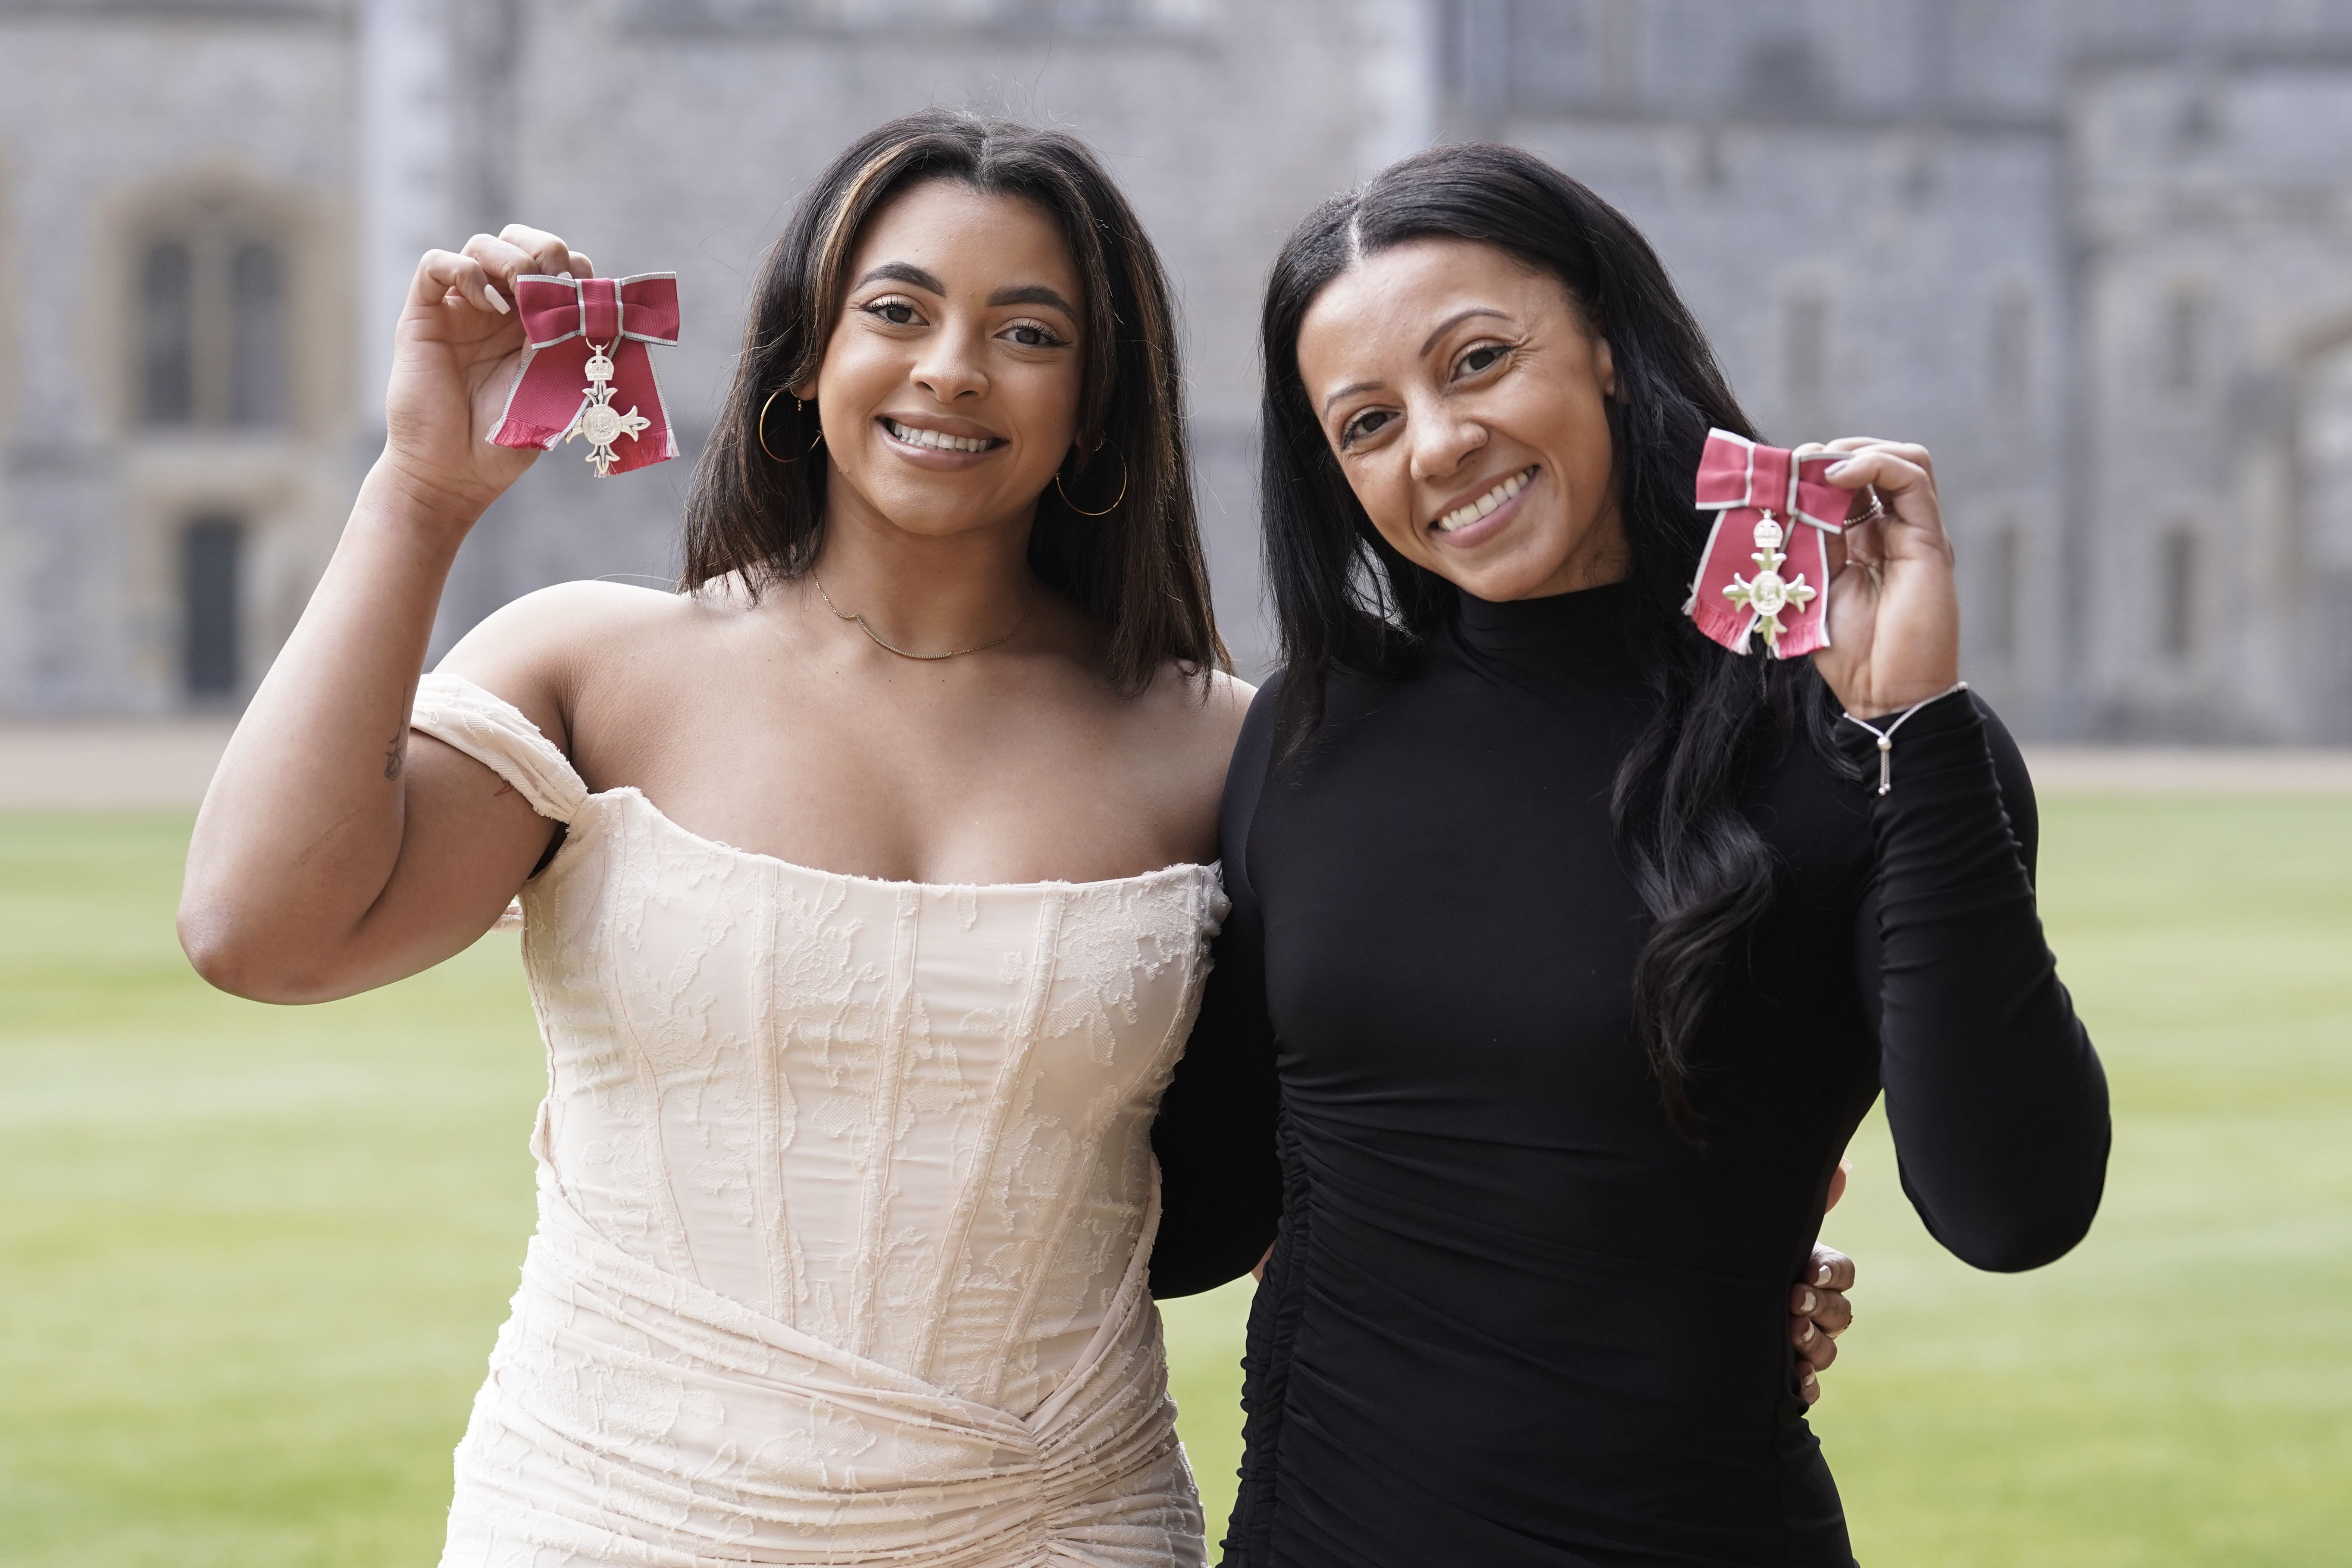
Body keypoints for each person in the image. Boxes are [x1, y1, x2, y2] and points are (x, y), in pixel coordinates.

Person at [176, 110, 1856, 1564]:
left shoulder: (1229, 744)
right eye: (894, 310)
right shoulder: (589, 665)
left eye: (1028, 329)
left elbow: (1368, 1133)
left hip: (1059, 1523)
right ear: (803, 359)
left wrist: (1681, 1274)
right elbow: (264, 931)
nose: (950, 368)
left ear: (1096, 401)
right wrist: (422, 493)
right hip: (613, 1511)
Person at [1163, 143, 2112, 1567]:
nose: (1435, 444)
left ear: (1606, 344)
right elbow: (1201, 1206)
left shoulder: (1850, 742)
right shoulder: (1312, 727)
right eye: (1365, 425)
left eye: (1477, 361)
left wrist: (1913, 720)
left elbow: (2014, 1207)